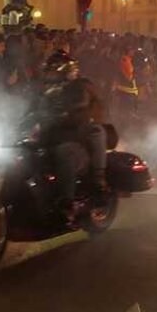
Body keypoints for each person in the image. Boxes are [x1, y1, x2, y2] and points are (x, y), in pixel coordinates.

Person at [36, 48, 108, 223]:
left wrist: (64, 113)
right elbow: (32, 109)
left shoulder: (79, 86)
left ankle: (67, 202)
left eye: (54, 70)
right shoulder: (46, 91)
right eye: (49, 70)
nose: (50, 74)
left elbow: (80, 104)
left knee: (64, 152)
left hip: (74, 137)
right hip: (52, 135)